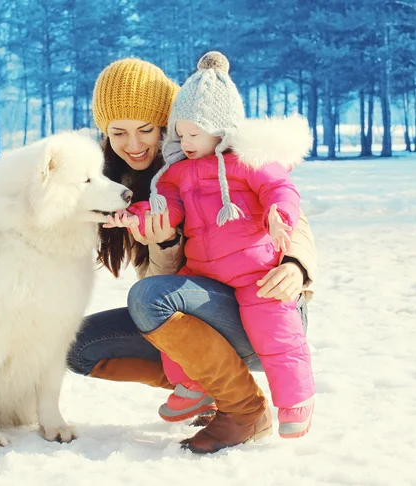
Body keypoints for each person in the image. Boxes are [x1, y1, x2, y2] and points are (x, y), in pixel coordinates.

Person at [66, 56, 318, 454]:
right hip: (200, 299)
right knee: (80, 345)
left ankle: (244, 409)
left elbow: (289, 215)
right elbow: (159, 283)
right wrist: (163, 243)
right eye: (118, 133)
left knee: (150, 299)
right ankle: (209, 388)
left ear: (170, 124)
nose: (133, 145)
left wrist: (294, 264)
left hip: (266, 298)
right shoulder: (123, 186)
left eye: (146, 130)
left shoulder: (220, 158)